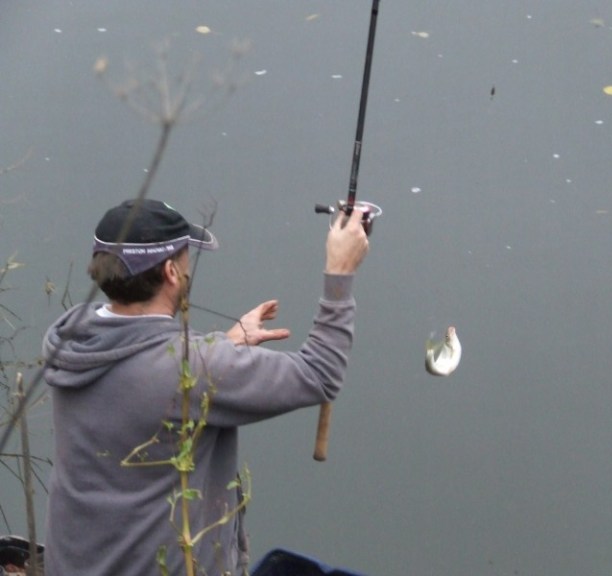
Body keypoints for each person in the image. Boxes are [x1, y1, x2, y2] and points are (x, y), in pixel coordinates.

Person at [42, 198, 369, 575]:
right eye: (185, 260)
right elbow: (320, 372)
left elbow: (145, 375)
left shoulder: (72, 340)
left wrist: (222, 348)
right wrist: (340, 272)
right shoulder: (193, 368)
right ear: (169, 272)